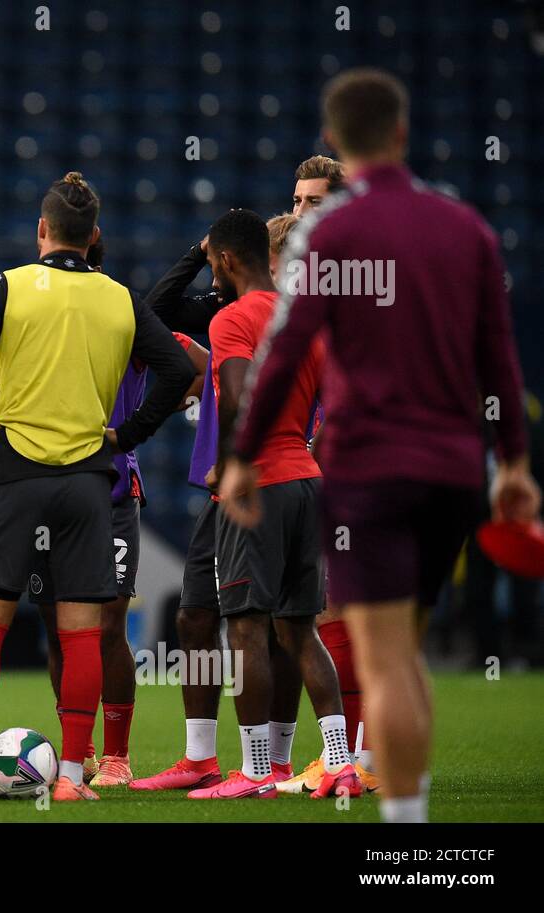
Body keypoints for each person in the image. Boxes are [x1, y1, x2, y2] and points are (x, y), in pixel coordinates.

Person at [220, 68, 539, 822]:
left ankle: (405, 832)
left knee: (388, 657)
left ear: (334, 141)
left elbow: (286, 351)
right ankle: (407, 807)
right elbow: (501, 357)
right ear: (401, 133)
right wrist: (516, 462)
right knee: (409, 653)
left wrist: (242, 454)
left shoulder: (327, 235)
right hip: (457, 468)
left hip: (370, 471)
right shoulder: (466, 227)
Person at [0, 172, 195, 801]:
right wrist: (125, 437)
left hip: (15, 471)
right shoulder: (121, 298)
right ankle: (74, 776)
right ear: (95, 236)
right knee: (82, 634)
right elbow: (178, 368)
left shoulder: (13, 284)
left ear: (41, 231)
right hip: (86, 482)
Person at [189, 209, 356, 800]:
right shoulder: (300, 319)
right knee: (301, 628)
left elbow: (236, 397)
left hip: (260, 485)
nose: (211, 270)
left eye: (212, 262)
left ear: (228, 260)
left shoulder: (232, 319)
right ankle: (340, 761)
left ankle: (258, 770)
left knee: (246, 630)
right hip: (307, 480)